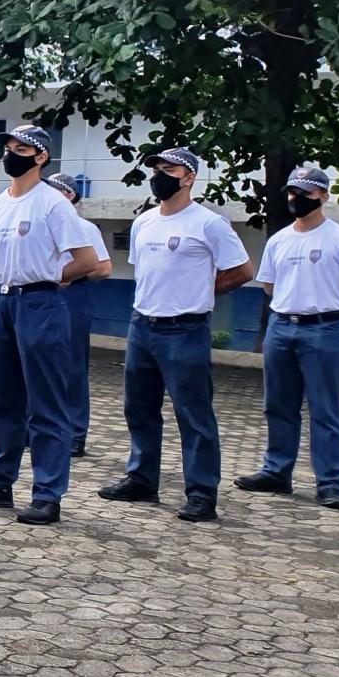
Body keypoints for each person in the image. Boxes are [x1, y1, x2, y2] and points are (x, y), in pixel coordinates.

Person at [0, 126, 105, 524]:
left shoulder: (53, 203)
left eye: (22, 149)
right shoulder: (0, 202)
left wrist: (54, 278)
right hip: (0, 300)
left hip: (39, 301)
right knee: (2, 398)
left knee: (46, 401)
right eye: (8, 147)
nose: (12, 154)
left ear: (41, 158)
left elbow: (88, 261)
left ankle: (47, 492)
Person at [99, 146, 254, 521]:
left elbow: (242, 271)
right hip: (143, 325)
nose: (160, 175)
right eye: (156, 168)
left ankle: (201, 492)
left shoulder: (208, 223)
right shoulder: (144, 222)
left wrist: (201, 291)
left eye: (170, 169)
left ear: (189, 177)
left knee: (193, 413)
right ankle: (141, 478)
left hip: (185, 329)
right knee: (139, 408)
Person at [237, 164, 339, 510]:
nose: (296, 198)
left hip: (322, 328)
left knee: (324, 409)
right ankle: (276, 472)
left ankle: (330, 483)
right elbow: (270, 285)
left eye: (305, 192)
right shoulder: (279, 240)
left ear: (323, 195)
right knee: (278, 405)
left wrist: (334, 295)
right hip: (282, 327)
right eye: (291, 191)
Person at [47, 174, 111, 456]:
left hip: (72, 295)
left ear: (70, 195)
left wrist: (70, 277)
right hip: (41, 295)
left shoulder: (84, 228)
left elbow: (104, 267)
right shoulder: (42, 224)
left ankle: (75, 432)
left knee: (72, 365)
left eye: (56, 191)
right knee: (38, 363)